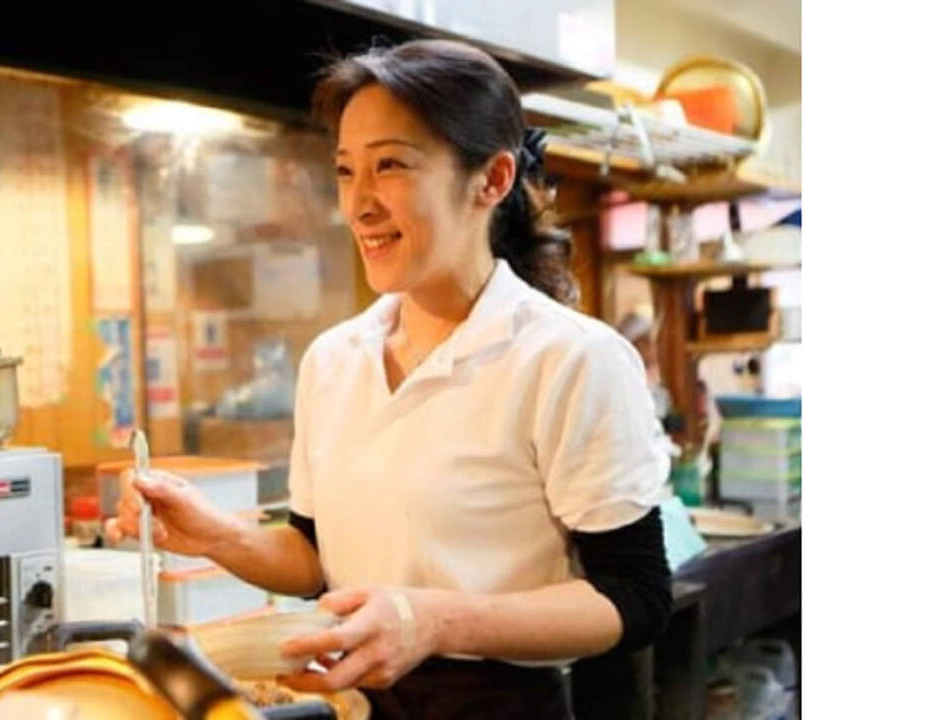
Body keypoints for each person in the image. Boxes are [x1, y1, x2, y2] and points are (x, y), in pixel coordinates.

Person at [108, 39, 671, 719]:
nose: (359, 204)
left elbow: (634, 595)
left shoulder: (570, 359)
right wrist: (218, 535)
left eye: (392, 166)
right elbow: (316, 556)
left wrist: (437, 621)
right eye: (347, 171)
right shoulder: (335, 360)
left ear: (490, 181)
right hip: (354, 705)